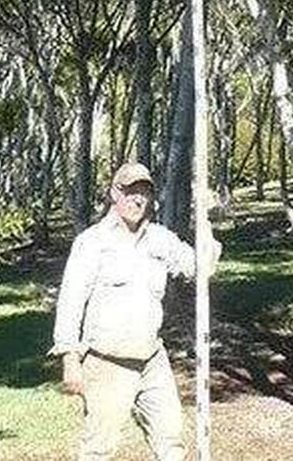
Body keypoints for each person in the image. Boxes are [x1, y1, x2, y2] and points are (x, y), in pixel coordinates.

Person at [51, 161, 219, 461]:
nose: (137, 198)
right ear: (114, 193)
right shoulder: (92, 242)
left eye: (144, 192)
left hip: (152, 359)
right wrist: (70, 359)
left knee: (171, 441)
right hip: (107, 363)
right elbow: (70, 301)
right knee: (98, 449)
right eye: (130, 191)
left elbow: (198, 267)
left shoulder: (160, 238)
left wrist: (207, 229)